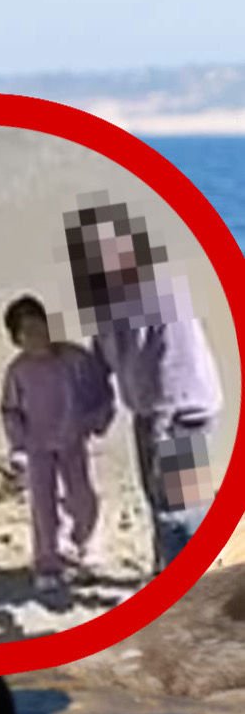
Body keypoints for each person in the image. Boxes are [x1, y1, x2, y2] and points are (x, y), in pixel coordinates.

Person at [61, 197, 223, 572]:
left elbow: (174, 361)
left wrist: (165, 423)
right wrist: (92, 414)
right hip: (147, 413)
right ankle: (163, 569)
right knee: (157, 499)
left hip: (185, 411)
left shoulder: (160, 292)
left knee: (180, 507)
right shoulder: (104, 302)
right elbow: (101, 361)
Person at [0, 295, 114, 591]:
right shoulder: (18, 371)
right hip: (37, 448)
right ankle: (48, 562)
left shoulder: (74, 359)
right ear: (16, 339)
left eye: (40, 328)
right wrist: (19, 447)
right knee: (44, 505)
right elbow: (10, 411)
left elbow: (100, 391)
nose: (37, 338)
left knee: (82, 497)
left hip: (74, 441)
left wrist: (97, 421)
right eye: (28, 333)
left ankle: (87, 550)